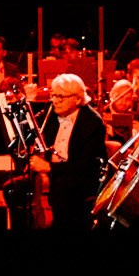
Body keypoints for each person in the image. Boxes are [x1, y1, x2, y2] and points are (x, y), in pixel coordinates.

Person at [28, 72, 103, 230]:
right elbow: (36, 136)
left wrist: (49, 168)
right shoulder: (51, 110)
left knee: (62, 189)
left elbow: (83, 166)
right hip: (50, 173)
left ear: (77, 99)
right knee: (13, 189)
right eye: (53, 95)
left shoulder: (93, 123)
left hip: (77, 178)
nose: (54, 100)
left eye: (60, 96)